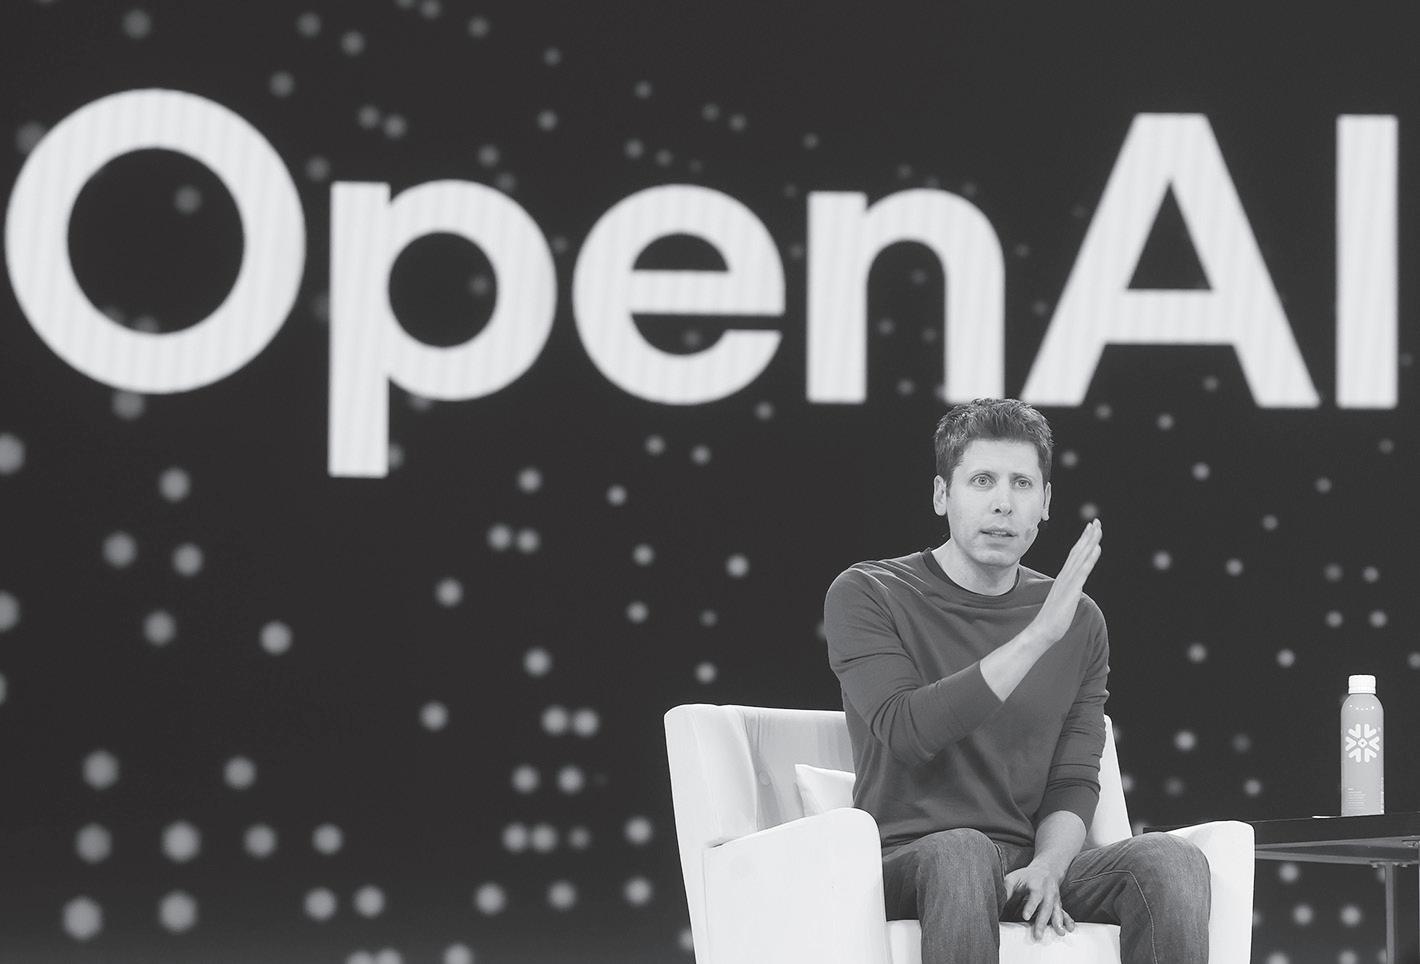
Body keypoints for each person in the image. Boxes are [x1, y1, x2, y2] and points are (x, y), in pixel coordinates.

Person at [823, 398, 1211, 964]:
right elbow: (907, 730)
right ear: (942, 495)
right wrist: (1035, 638)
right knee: (963, 853)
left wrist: (1049, 866)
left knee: (1171, 861)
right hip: (913, 860)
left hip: (1026, 862)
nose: (1003, 503)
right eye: (982, 480)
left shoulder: (1077, 619)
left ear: (1045, 502)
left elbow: (1073, 778)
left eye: (1022, 484)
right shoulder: (868, 593)